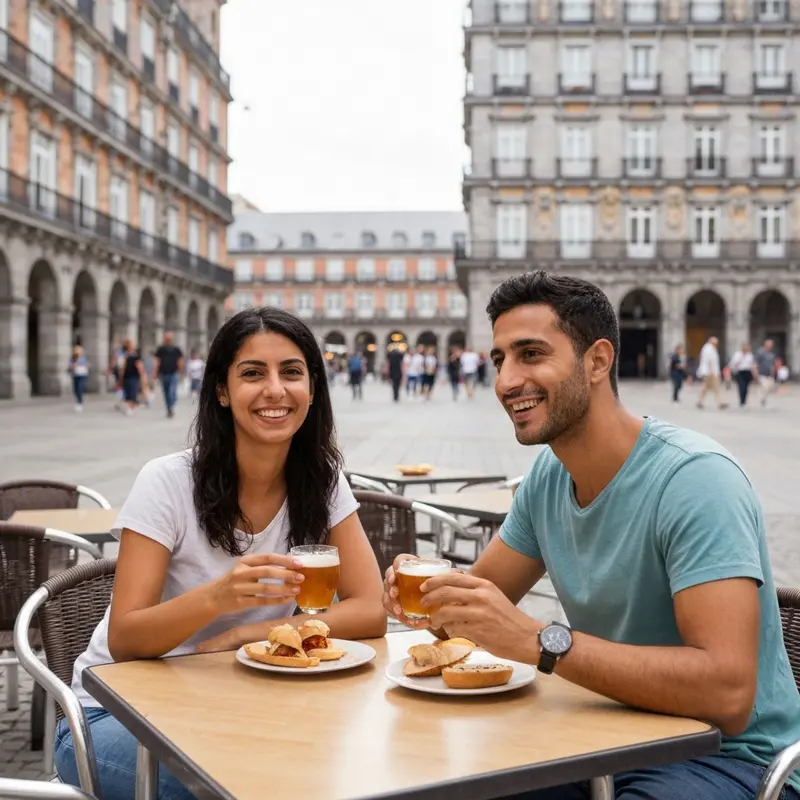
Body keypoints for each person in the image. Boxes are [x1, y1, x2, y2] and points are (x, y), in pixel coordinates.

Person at [382, 271, 800, 800]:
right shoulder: (548, 480)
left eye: (531, 354)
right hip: (608, 734)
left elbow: (728, 692)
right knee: (443, 781)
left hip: (732, 759)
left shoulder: (695, 479)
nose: (507, 380)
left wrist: (541, 642)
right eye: (499, 360)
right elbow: (467, 617)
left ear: (597, 361)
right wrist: (425, 602)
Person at [55, 307, 386, 800]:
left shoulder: (322, 481)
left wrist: (246, 633)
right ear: (222, 391)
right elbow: (125, 639)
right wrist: (218, 597)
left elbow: (370, 608)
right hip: (117, 712)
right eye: (253, 373)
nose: (275, 389)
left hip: (239, 705)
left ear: (313, 390)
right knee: (243, 787)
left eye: (291, 372)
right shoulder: (167, 481)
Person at [154, 331, 184, 418]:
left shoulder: (176, 349)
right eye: (167, 338)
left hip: (174, 373)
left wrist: (181, 371)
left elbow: (180, 360)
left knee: (172, 391)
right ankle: (169, 408)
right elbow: (157, 361)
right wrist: (155, 372)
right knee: (166, 392)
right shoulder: (161, 349)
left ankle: (171, 405)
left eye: (169, 338)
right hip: (163, 373)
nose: (168, 339)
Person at [696, 336, 727, 410]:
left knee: (705, 387)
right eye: (715, 343)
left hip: (708, 372)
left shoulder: (708, 348)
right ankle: (720, 403)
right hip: (710, 372)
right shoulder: (709, 349)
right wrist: (713, 372)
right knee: (715, 387)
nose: (716, 344)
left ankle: (700, 401)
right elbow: (710, 361)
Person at [120, 340, 146, 417]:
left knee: (131, 392)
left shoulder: (133, 356)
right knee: (130, 393)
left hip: (132, 376)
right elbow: (123, 367)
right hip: (129, 376)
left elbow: (139, 366)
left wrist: (142, 375)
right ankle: (130, 407)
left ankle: (130, 408)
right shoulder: (126, 356)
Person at [728, 343, 756, 408]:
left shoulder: (750, 355)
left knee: (746, 387)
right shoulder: (738, 354)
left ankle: (744, 400)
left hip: (748, 372)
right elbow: (733, 363)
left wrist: (754, 374)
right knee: (741, 386)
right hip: (740, 372)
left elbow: (752, 364)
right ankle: (741, 401)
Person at [755, 339, 777, 408]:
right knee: (765, 386)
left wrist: (774, 372)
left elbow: (773, 364)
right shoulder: (760, 352)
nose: (771, 346)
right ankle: (762, 398)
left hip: (769, 374)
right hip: (761, 373)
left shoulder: (771, 354)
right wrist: (755, 372)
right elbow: (756, 363)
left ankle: (763, 397)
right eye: (769, 344)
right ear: (765, 344)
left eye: (771, 344)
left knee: (770, 388)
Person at [68, 345, 90, 412]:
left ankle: (79, 403)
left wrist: (85, 366)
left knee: (80, 388)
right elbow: (71, 367)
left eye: (80, 351)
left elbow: (87, 366)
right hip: (75, 375)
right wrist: (75, 363)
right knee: (76, 389)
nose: (79, 352)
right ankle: (78, 400)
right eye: (77, 350)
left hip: (82, 375)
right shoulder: (73, 359)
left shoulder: (84, 359)